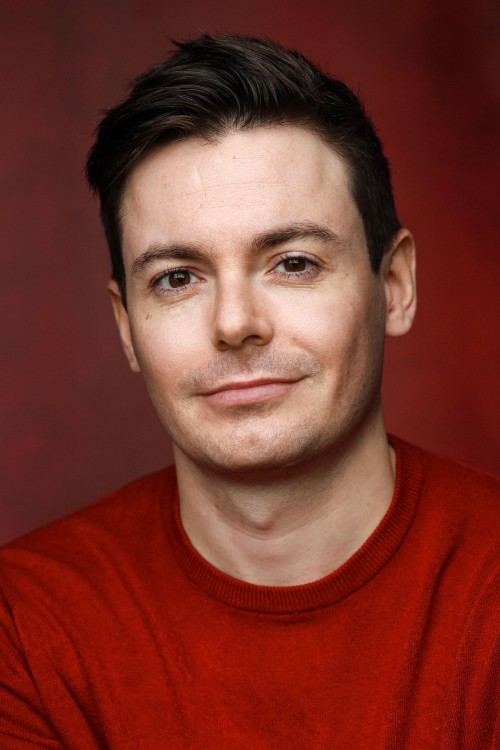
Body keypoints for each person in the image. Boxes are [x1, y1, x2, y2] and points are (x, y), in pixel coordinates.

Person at [0, 34, 498, 750]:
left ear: (394, 286)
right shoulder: (23, 625)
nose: (235, 324)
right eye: (177, 278)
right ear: (127, 326)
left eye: (293, 263)